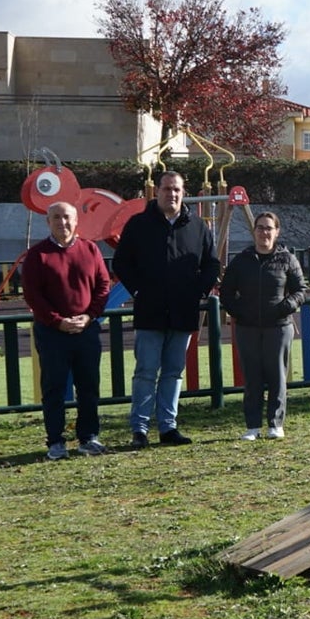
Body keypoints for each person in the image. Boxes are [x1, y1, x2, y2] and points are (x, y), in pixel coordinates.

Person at [112, 171, 221, 448]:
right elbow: (122, 262)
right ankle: (140, 428)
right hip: (150, 311)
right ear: (156, 192)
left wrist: (198, 290)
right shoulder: (138, 225)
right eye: (167, 189)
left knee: (173, 372)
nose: (172, 194)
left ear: (184, 193)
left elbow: (211, 264)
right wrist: (138, 290)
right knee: (146, 372)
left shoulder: (198, 227)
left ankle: (168, 428)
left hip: (183, 311)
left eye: (177, 190)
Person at [21, 201, 111, 460]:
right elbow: (33, 295)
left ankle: (88, 437)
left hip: (86, 330)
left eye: (67, 217)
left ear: (76, 221)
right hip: (52, 333)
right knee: (54, 388)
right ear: (48, 222)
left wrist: (90, 316)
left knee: (89, 386)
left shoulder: (90, 249)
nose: (63, 223)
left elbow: (103, 285)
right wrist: (57, 320)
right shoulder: (37, 255)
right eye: (57, 218)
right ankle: (56, 441)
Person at [220, 211, 306, 440]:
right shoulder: (241, 260)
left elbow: (300, 290)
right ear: (254, 231)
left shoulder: (287, 259)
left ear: (276, 232)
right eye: (260, 228)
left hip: (278, 327)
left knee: (277, 375)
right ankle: (252, 426)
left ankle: (275, 424)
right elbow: (226, 292)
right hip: (247, 328)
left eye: (269, 228)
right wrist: (239, 311)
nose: (264, 232)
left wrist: (285, 306)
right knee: (252, 377)